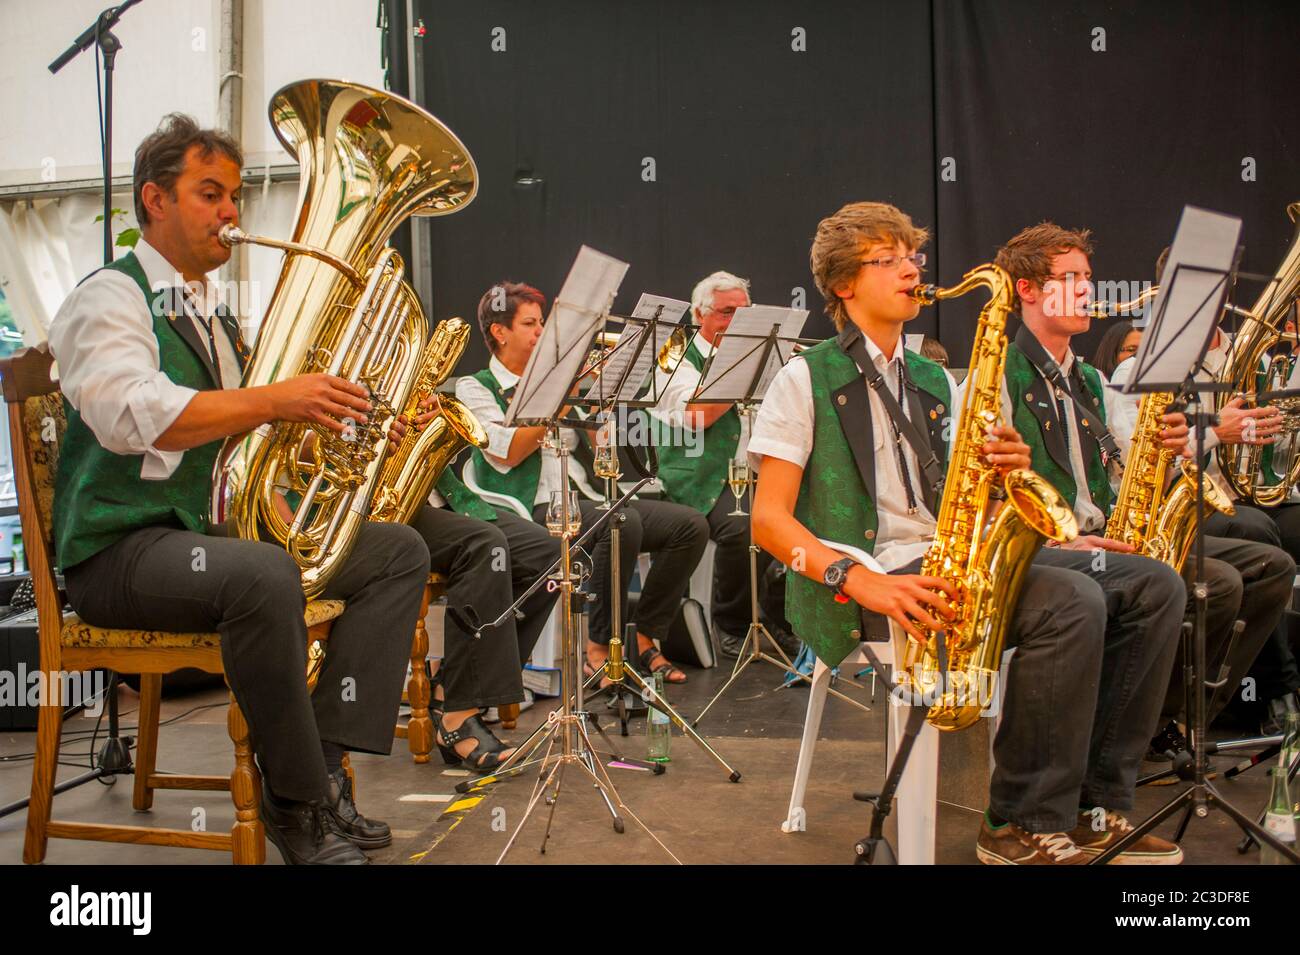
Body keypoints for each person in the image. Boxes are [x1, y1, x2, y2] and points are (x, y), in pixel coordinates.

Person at [47, 114, 431, 865]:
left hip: (193, 535)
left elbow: (248, 440)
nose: (232, 213)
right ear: (155, 201)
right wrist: (278, 398)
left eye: (235, 196)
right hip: (117, 550)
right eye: (210, 194)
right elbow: (134, 416)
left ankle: (318, 767)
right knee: (264, 574)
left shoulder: (211, 317)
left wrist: (347, 418)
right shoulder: (109, 298)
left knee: (397, 551)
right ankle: (293, 808)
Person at [751, 201, 1184, 864]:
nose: (912, 269)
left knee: (1154, 585)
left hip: (957, 555)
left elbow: (968, 499)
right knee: (1074, 602)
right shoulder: (802, 379)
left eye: (913, 256)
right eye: (888, 259)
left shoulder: (934, 379)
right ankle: (1014, 819)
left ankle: (1097, 806)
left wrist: (1007, 474)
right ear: (844, 284)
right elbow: (769, 519)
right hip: (872, 569)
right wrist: (856, 577)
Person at [996, 224, 1293, 762]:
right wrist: (1056, 545)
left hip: (1109, 536)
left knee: (1269, 568)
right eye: (1071, 278)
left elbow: (1137, 455)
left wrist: (1175, 439)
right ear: (1027, 290)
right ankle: (1127, 735)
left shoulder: (1087, 378)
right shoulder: (998, 378)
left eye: (1088, 277)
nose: (1088, 289)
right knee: (1218, 583)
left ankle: (1158, 716)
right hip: (1055, 547)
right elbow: (988, 495)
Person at [456, 282, 709, 685]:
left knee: (689, 525)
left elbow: (600, 448)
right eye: (529, 324)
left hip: (582, 497)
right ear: (500, 332)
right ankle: (597, 651)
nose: (542, 332)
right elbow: (508, 454)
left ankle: (644, 638)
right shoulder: (475, 387)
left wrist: (600, 396)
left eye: (542, 323)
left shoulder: (557, 382)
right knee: (620, 523)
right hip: (527, 505)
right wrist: (558, 393)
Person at [648, 270, 794, 658]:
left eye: (744, 314)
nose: (737, 323)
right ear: (699, 315)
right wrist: (750, 364)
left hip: (756, 472)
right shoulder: (674, 358)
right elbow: (699, 416)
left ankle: (778, 617)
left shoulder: (767, 354)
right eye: (727, 313)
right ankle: (732, 624)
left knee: (810, 516)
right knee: (745, 526)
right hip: (698, 479)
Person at [399, 458, 561, 772]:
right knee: (486, 545)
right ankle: (459, 716)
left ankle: (451, 689)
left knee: (549, 554)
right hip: (390, 508)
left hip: (442, 497)